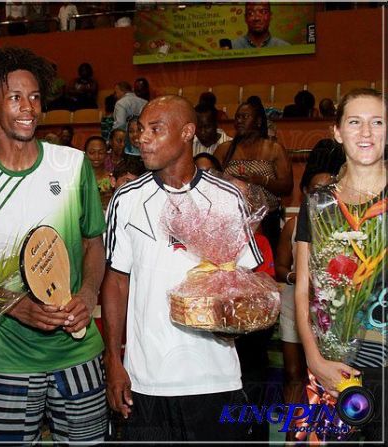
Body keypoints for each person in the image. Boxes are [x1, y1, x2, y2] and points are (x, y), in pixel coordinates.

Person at [0, 46, 107, 444]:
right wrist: (14, 305)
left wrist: (88, 291)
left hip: (79, 352)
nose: (28, 107)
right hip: (7, 358)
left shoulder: (73, 165)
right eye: (14, 97)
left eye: (35, 97)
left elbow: (95, 244)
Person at [102, 95, 262, 442]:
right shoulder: (126, 199)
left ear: (187, 132)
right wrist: (113, 361)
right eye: (141, 130)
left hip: (216, 376)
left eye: (156, 130)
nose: (142, 138)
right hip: (147, 379)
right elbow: (115, 282)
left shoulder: (227, 197)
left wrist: (235, 320)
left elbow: (247, 280)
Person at [295, 88, 387, 442]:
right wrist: (314, 359)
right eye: (355, 122)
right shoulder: (318, 204)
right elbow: (303, 289)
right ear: (337, 132)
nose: (366, 133)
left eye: (377, 122)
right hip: (335, 368)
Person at [275, 169, 334, 440]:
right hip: (293, 302)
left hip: (328, 310)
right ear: (306, 192)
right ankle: (291, 435)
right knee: (294, 373)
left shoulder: (343, 226)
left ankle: (320, 432)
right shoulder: (294, 223)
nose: (320, 194)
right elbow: (279, 268)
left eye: (327, 188)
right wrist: (297, 277)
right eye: (315, 189)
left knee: (323, 376)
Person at [215, 100, 293, 253]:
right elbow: (211, 183)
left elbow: (287, 186)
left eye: (244, 117)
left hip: (267, 220)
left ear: (258, 121)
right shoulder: (224, 149)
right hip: (232, 222)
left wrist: (261, 180)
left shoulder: (274, 149)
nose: (239, 121)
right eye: (237, 117)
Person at [85, 136, 113, 210]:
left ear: (106, 154)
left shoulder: (112, 179)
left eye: (101, 152)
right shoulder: (78, 178)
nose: (96, 156)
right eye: (92, 152)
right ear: (85, 154)